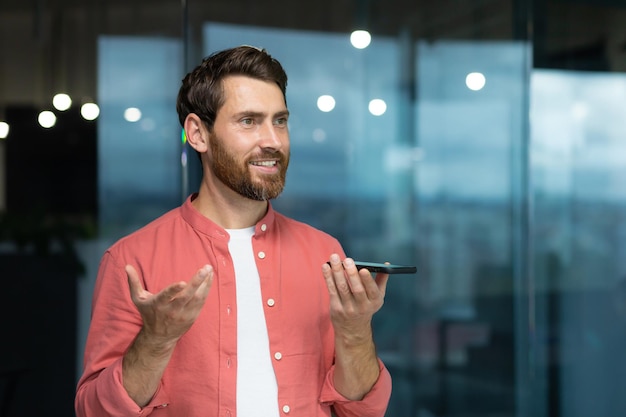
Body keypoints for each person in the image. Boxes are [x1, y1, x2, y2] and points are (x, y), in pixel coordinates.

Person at [75, 45, 392, 417]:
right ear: (197, 134)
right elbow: (94, 411)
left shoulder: (324, 252)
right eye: (248, 121)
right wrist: (156, 340)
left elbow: (362, 411)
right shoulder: (133, 259)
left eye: (280, 120)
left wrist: (355, 332)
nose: (273, 140)